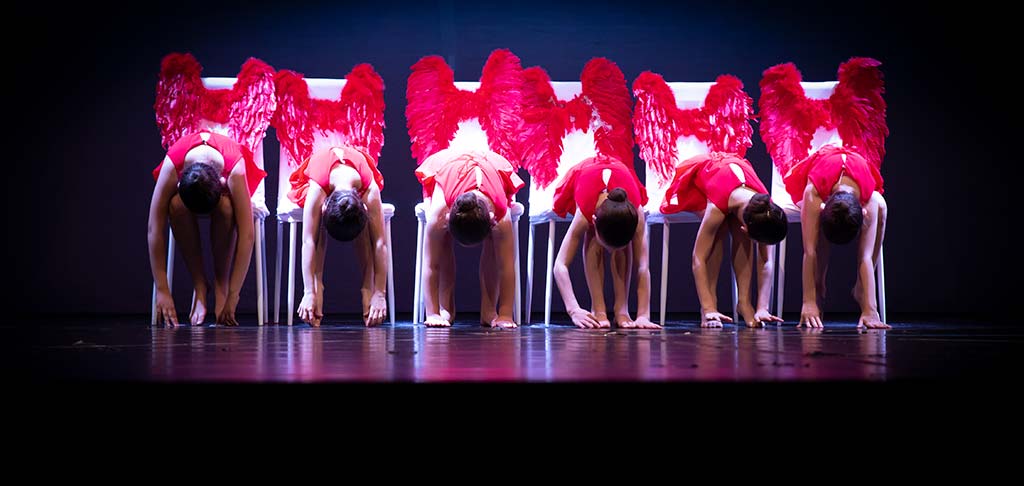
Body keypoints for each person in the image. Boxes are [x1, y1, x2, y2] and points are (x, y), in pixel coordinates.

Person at [288, 145, 389, 327]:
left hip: (351, 181)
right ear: (326, 205)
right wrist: (308, 291)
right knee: (316, 227)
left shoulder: (370, 189)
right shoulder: (317, 189)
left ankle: (367, 288)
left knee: (364, 225)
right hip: (322, 178)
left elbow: (380, 242)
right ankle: (317, 289)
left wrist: (380, 293)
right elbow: (308, 241)